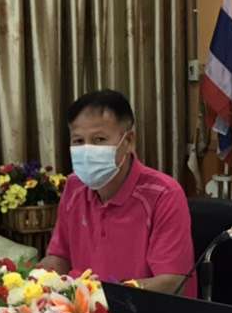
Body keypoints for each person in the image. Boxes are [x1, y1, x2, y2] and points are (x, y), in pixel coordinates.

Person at [38, 90, 196, 295]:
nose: (87, 150)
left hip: (141, 310)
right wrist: (31, 284)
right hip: (84, 309)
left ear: (128, 141)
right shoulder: (74, 186)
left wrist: (101, 297)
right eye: (78, 141)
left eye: (99, 139)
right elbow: (60, 257)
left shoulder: (163, 194)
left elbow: (171, 282)